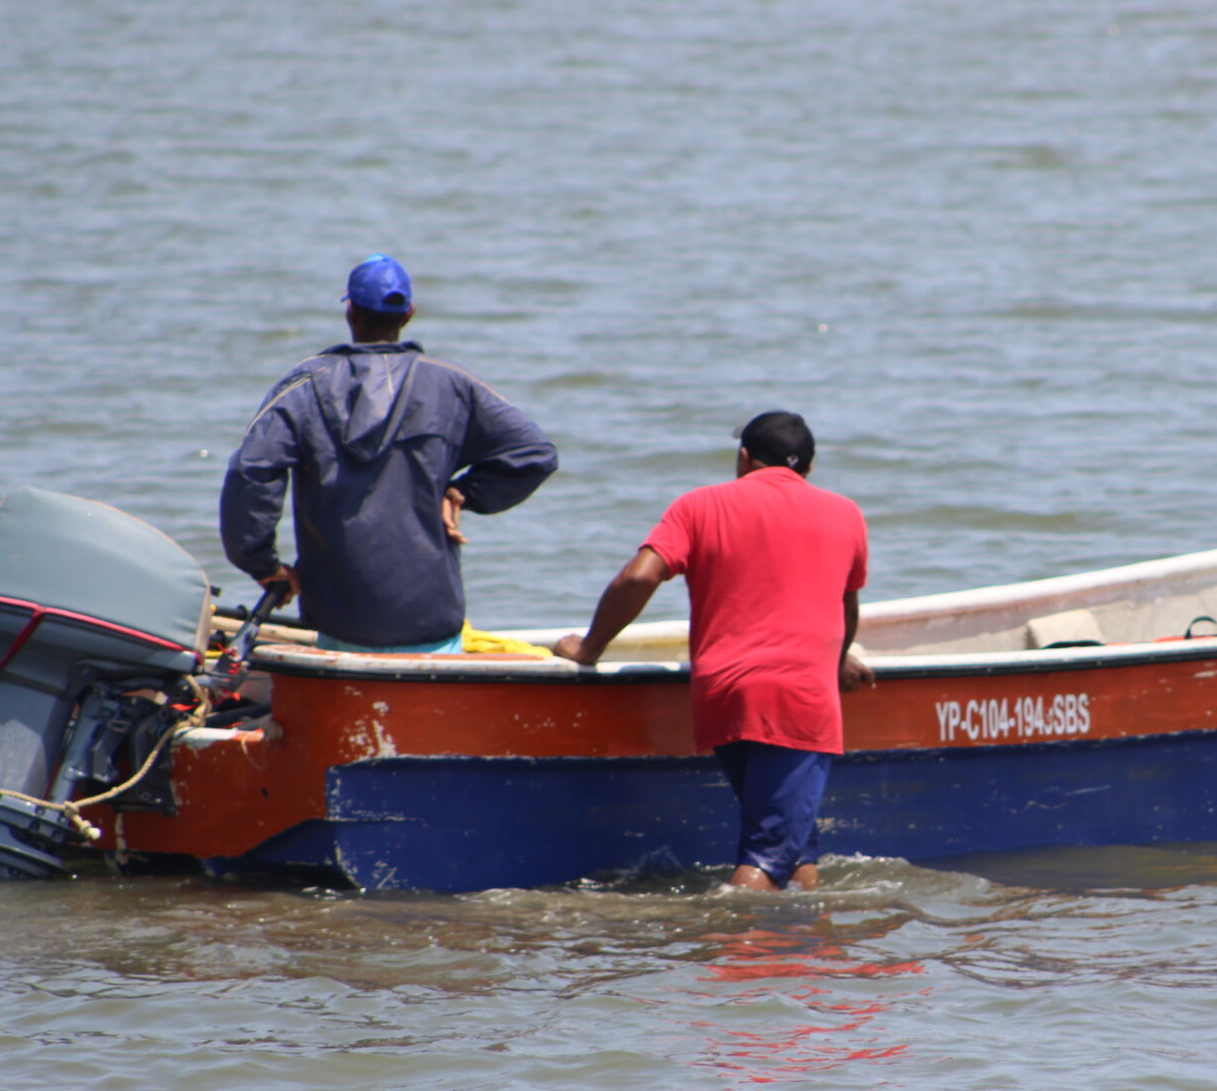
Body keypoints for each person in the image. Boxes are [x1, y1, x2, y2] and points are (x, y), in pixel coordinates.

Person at [556, 411, 871, 890]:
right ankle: (735, 953)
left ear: (744, 458)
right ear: (807, 469)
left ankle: (803, 956)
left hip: (723, 693)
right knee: (769, 857)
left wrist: (589, 648)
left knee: (793, 846)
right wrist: (836, 657)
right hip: (797, 699)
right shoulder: (845, 513)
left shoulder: (697, 505)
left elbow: (640, 576)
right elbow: (844, 605)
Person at [220, 254, 559, 652]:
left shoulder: (304, 386)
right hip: (431, 623)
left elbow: (252, 471)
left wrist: (264, 565)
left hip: (336, 622)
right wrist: (464, 492)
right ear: (409, 314)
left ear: (351, 312)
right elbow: (534, 454)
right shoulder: (450, 384)